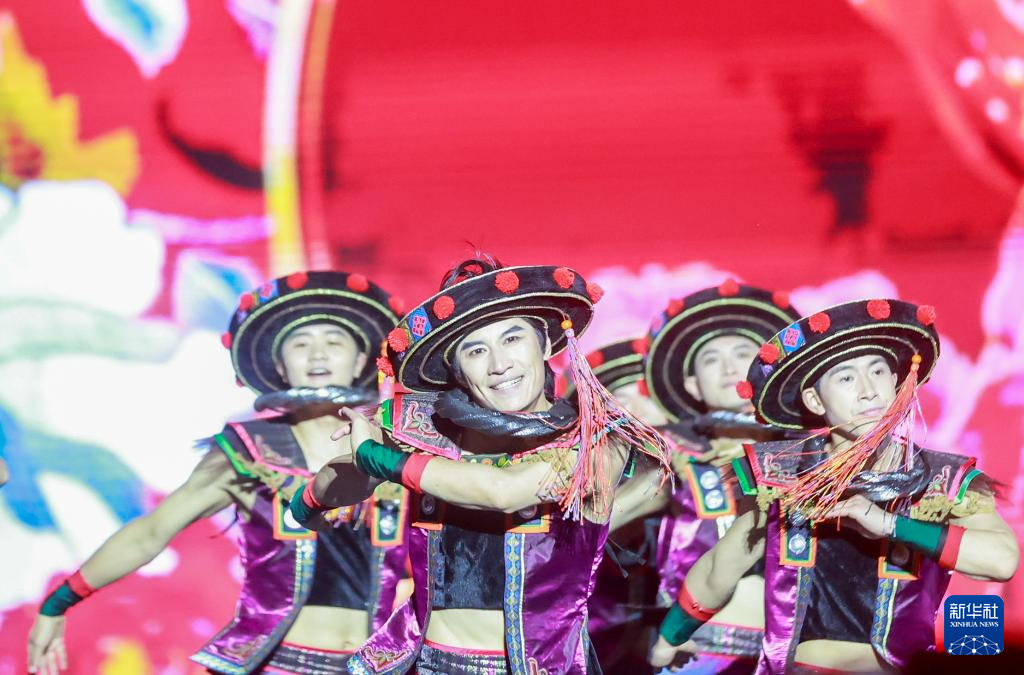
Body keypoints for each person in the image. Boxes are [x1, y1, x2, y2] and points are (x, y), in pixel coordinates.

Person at [294, 257, 671, 674]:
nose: (498, 364)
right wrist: (314, 496)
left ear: (546, 344)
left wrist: (378, 457)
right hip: (428, 663)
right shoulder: (422, 430)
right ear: (456, 370)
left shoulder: (598, 439)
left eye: (513, 339)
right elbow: (343, 482)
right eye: (476, 350)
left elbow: (505, 491)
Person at [28, 271, 408, 674]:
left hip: (379, 665)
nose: (318, 355)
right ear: (280, 365)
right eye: (300, 344)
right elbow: (149, 533)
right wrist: (58, 603)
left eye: (334, 342)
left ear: (360, 361)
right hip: (277, 664)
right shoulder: (247, 452)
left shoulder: (398, 449)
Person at [651, 299, 1020, 673]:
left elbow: (1002, 560)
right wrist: (668, 639)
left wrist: (890, 524)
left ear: (897, 382)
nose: (868, 391)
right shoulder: (781, 476)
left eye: (878, 371)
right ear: (814, 400)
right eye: (846, 378)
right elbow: (720, 568)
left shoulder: (942, 478)